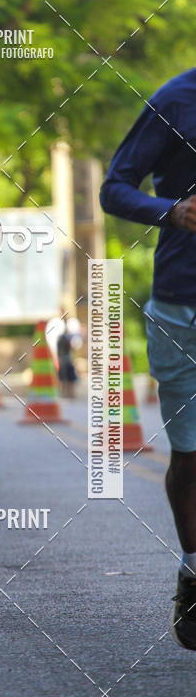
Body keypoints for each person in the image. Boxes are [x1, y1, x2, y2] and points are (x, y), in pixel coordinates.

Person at [100, 68, 196, 649]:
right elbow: (116, 187)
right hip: (184, 304)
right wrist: (172, 211)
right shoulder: (175, 100)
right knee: (190, 451)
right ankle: (193, 569)